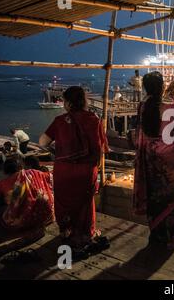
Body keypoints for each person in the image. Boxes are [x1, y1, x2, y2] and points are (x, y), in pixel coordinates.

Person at [39, 86, 109, 257]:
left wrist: (61, 144)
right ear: (84, 101)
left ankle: (66, 232)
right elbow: (100, 149)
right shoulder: (94, 119)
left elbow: (42, 142)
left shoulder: (60, 121)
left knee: (64, 202)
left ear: (68, 103)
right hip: (86, 171)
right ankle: (85, 233)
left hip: (64, 170)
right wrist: (97, 168)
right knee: (84, 203)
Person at [133, 71, 174, 250]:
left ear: (145, 88)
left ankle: (157, 235)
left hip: (150, 159)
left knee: (155, 197)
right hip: (170, 162)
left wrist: (167, 90)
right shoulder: (173, 107)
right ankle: (172, 238)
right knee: (172, 198)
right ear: (161, 86)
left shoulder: (142, 107)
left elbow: (155, 106)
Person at [0, 157, 54, 231]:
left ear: (4, 170)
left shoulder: (0, 184)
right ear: (21, 167)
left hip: (21, 222)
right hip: (46, 215)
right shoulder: (33, 172)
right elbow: (50, 178)